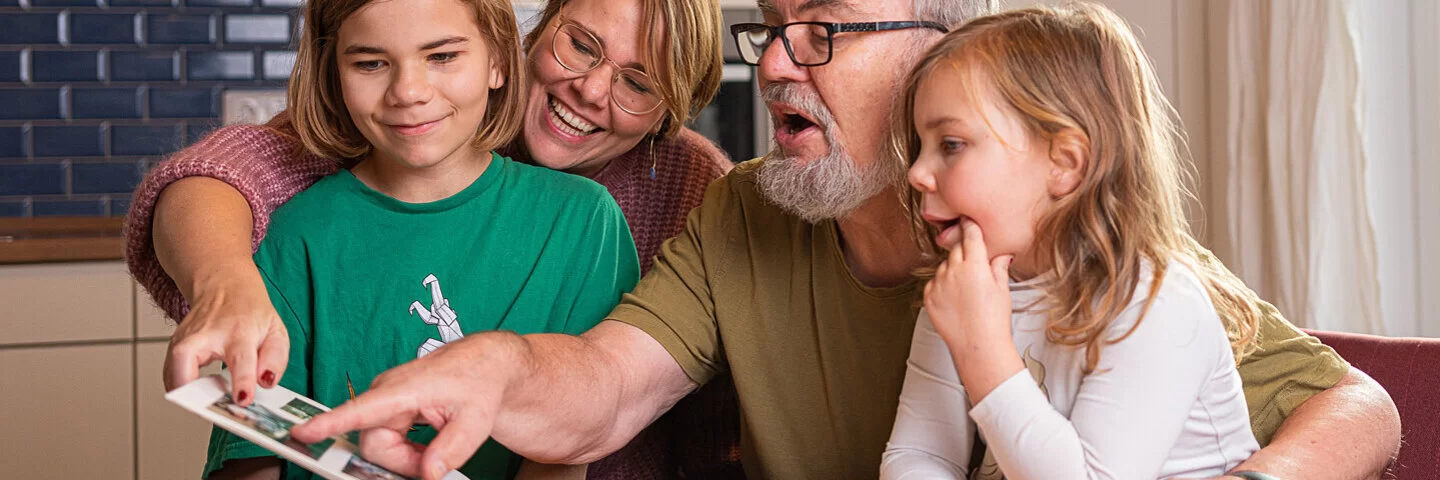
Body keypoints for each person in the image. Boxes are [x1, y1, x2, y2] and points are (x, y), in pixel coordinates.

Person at [146, 0, 1403, 479]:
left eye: (828, 28)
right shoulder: (739, 204)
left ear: (941, 46)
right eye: (773, 30)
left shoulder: (1085, 245)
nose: (784, 62)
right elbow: (602, 383)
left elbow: (1364, 407)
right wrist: (495, 369)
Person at [125, 0, 743, 477]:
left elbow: (716, 439)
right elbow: (224, 174)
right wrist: (224, 278)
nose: (591, 89)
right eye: (581, 45)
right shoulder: (394, 138)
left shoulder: (679, 196)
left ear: (671, 111)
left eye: (638, 83)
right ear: (533, 35)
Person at [883, 4, 1265, 478]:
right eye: (919, 146)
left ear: (1065, 163)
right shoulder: (961, 293)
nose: (917, 173)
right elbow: (920, 456)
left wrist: (982, 351)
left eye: (951, 145)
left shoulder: (1156, 304)